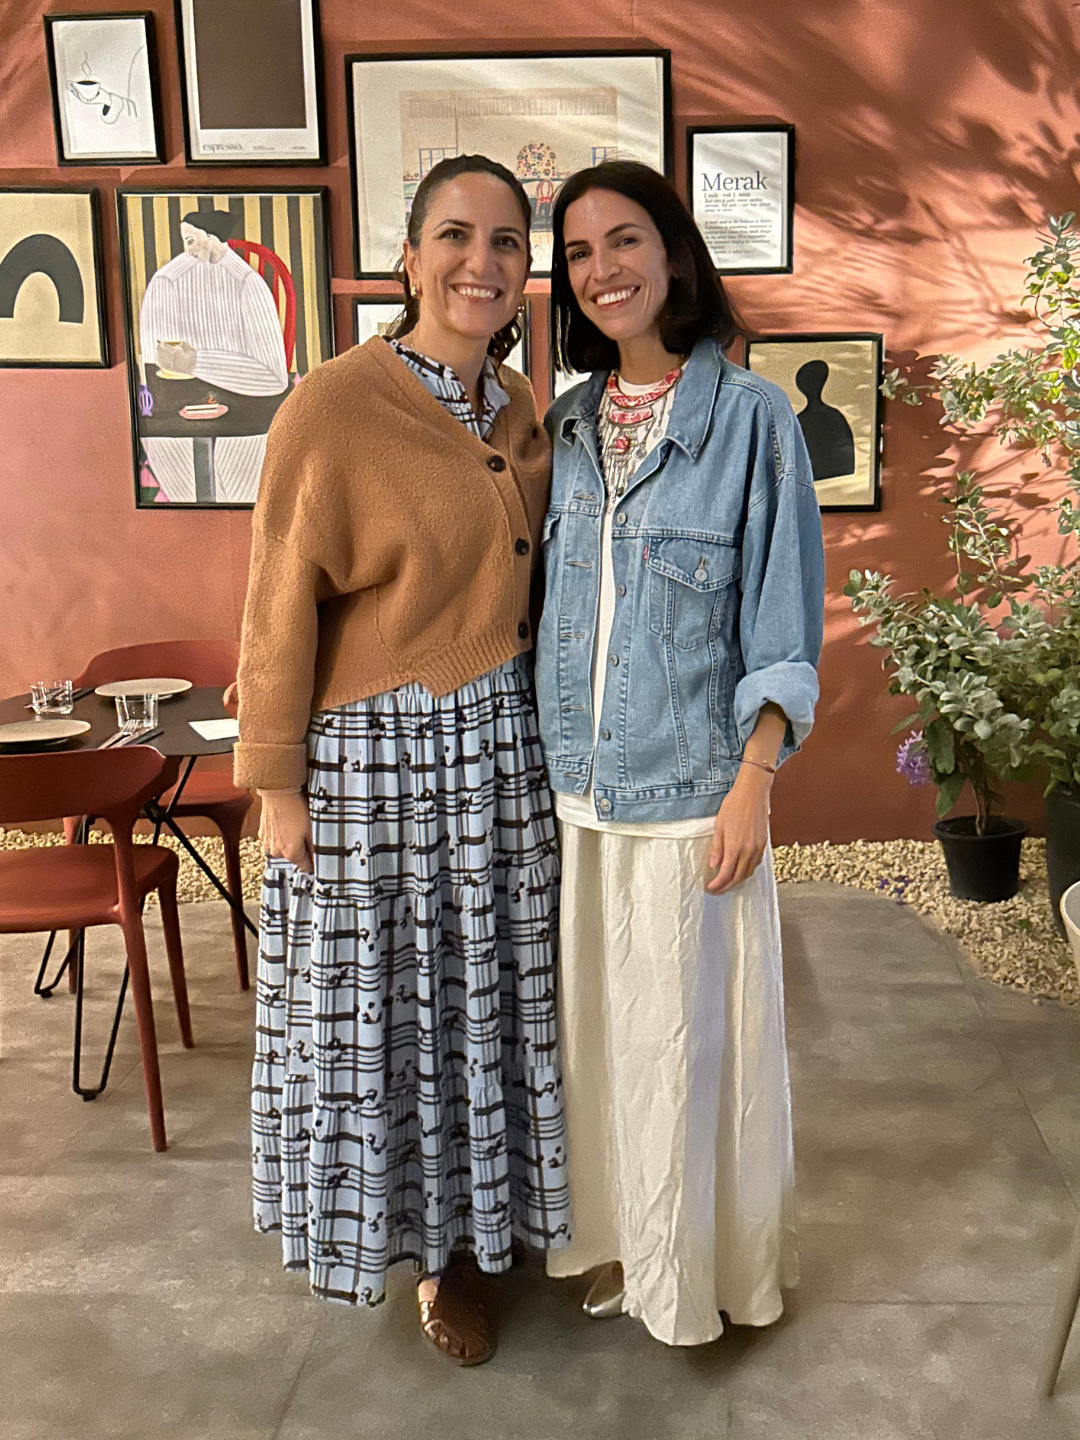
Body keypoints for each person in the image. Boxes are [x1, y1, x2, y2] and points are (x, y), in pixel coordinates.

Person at [234, 154, 569, 1366]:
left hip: (505, 759)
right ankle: (432, 1261)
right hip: (375, 766)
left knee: (493, 1004)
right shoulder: (332, 405)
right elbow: (277, 602)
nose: (482, 261)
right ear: (410, 258)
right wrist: (278, 783)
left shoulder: (523, 408)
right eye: (456, 236)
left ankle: (492, 1230)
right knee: (395, 1018)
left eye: (506, 241)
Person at [535, 160, 825, 1347]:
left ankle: (700, 1276)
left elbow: (783, 630)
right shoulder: (563, 423)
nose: (602, 268)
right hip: (577, 792)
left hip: (693, 794)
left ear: (674, 254)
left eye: (625, 240)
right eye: (578, 252)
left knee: (690, 1053)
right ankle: (621, 1247)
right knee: (603, 1049)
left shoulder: (752, 421)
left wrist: (755, 781)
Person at [139, 209, 289, 503]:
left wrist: (197, 362)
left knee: (238, 493)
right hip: (177, 408)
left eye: (191, 241)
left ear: (211, 237)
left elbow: (274, 378)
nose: (188, 250)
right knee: (177, 466)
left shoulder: (248, 283)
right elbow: (154, 364)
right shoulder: (167, 280)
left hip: (248, 409)